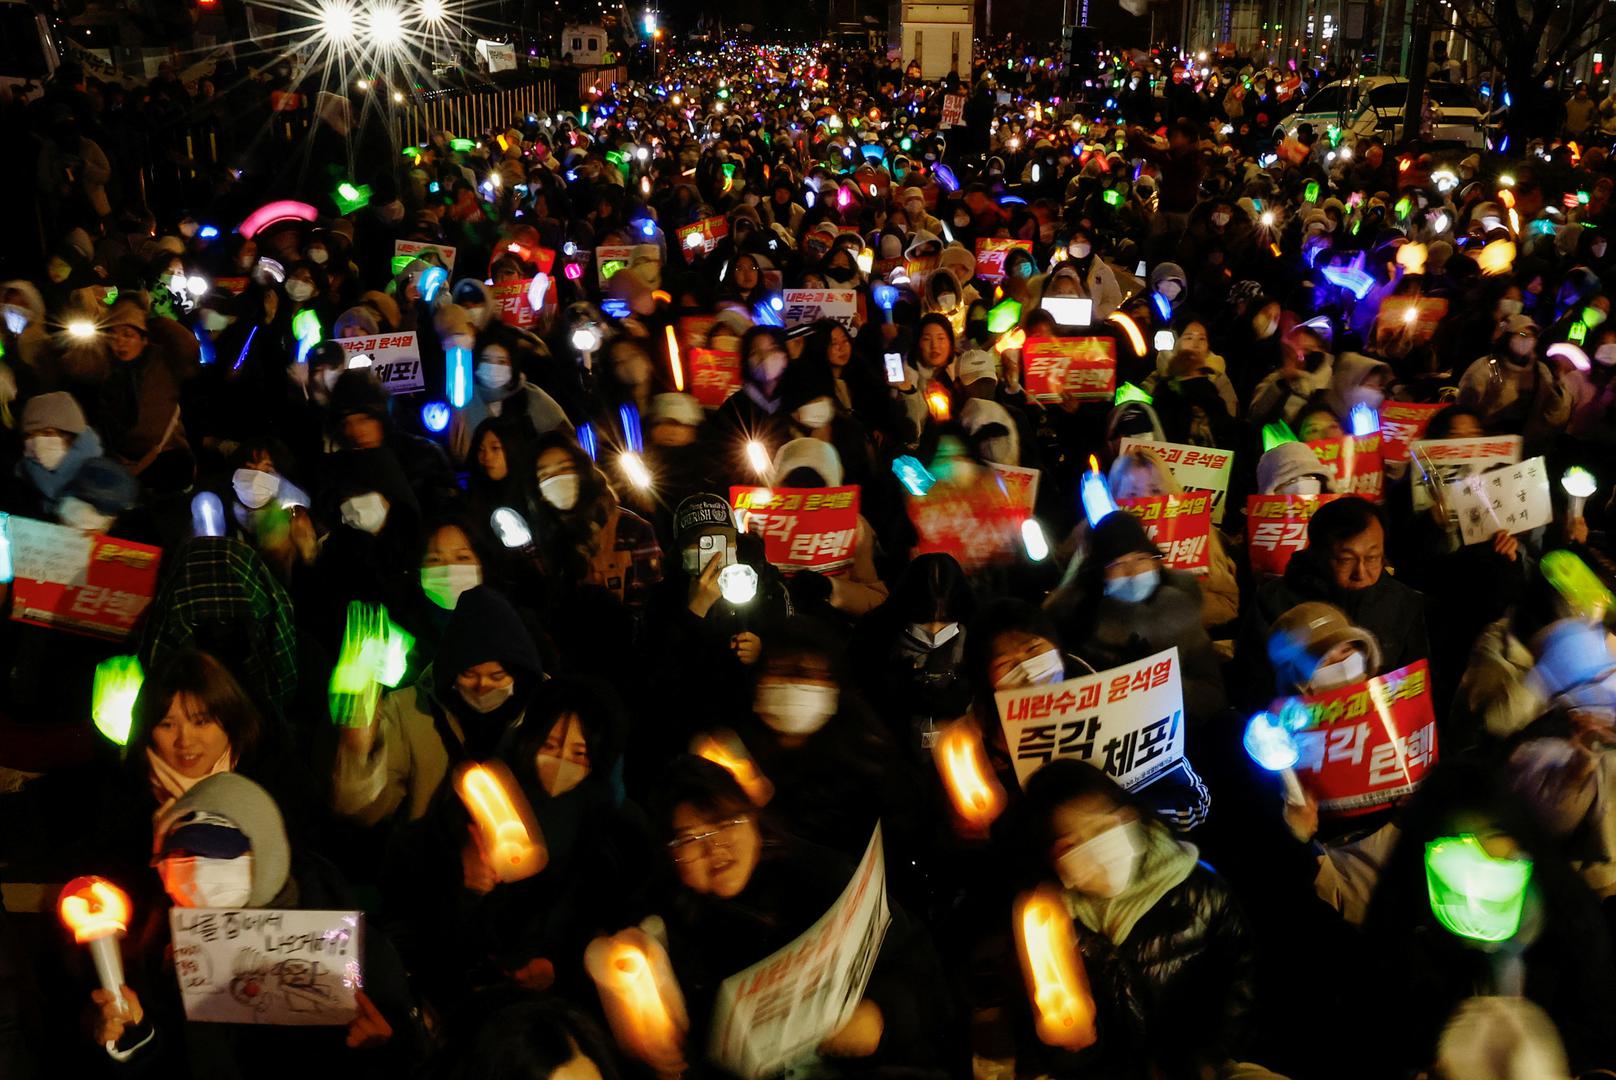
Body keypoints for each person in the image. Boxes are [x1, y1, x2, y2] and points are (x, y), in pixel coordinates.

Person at [1011, 758, 1255, 1077]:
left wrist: (1208, 1061)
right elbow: (1040, 1032)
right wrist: (1074, 1048)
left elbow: (1243, 985)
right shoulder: (1048, 928)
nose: (1094, 848)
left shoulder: (1201, 893)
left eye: (1102, 829)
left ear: (1128, 817)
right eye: (1070, 844)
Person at [331, 585, 545, 827]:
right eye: (468, 674)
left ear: (519, 673)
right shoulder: (409, 711)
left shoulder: (547, 712)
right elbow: (361, 809)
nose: (482, 686)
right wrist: (357, 747)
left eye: (497, 676)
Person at [1237, 497, 1429, 705]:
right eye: (1346, 560)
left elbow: (1418, 682)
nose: (1360, 572)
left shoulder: (1403, 603)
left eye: (1372, 558)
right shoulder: (1274, 601)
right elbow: (1251, 684)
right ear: (1318, 554)